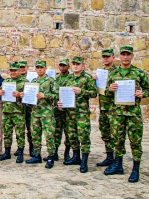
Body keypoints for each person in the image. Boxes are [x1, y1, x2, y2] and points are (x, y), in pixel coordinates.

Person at [104, 46, 149, 183]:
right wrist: (110, 89)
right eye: (123, 54)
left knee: (135, 142)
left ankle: (135, 169)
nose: (125, 57)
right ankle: (118, 165)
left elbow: (147, 88)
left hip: (133, 114)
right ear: (119, 56)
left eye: (128, 54)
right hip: (117, 114)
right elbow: (105, 92)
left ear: (132, 56)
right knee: (117, 140)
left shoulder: (138, 73)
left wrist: (143, 94)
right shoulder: (113, 73)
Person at [59, 56, 97, 173]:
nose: (75, 66)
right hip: (70, 113)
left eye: (78, 64)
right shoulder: (68, 78)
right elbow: (63, 93)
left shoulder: (87, 78)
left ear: (83, 66)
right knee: (72, 136)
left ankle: (84, 161)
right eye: (74, 64)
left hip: (81, 113)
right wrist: (60, 103)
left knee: (83, 136)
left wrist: (82, 92)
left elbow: (94, 93)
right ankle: (76, 157)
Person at [23, 60, 56, 169]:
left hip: (46, 113)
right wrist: (25, 95)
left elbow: (57, 95)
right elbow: (29, 96)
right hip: (35, 112)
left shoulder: (50, 81)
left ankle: (51, 156)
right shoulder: (33, 81)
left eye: (41, 67)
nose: (39, 69)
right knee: (35, 135)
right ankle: (37, 155)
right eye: (37, 67)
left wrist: (45, 95)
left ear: (45, 68)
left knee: (49, 135)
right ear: (35, 69)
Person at [0, 63, 27, 163]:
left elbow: (29, 98)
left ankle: (20, 153)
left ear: (19, 71)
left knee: (20, 134)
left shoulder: (24, 82)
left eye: (15, 70)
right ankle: (7, 152)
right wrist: (0, 93)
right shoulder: (6, 81)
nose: (13, 72)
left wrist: (19, 94)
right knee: (7, 133)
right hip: (6, 111)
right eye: (11, 71)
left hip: (18, 112)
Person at [92, 49, 117, 167]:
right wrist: (94, 81)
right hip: (104, 107)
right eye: (104, 57)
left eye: (108, 56)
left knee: (116, 134)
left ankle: (118, 159)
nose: (105, 58)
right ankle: (109, 156)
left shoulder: (117, 72)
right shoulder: (101, 72)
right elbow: (96, 91)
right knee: (105, 133)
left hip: (115, 109)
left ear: (113, 57)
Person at [44, 58, 71, 162]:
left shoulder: (71, 78)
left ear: (68, 66)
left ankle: (67, 153)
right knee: (56, 132)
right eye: (61, 65)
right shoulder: (55, 78)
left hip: (69, 110)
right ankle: (54, 153)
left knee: (69, 133)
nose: (62, 67)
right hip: (57, 110)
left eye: (64, 65)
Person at [16, 60, 34, 157]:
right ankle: (20, 148)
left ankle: (32, 148)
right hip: (19, 108)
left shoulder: (32, 78)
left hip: (29, 107)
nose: (22, 69)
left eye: (23, 67)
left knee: (30, 129)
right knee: (20, 129)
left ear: (27, 67)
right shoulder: (15, 78)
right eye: (20, 67)